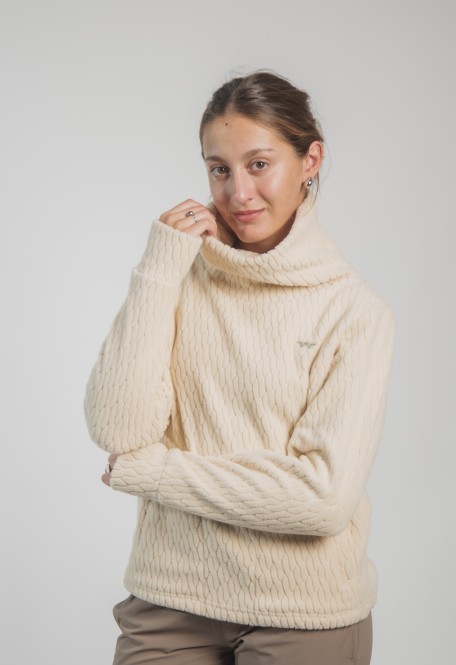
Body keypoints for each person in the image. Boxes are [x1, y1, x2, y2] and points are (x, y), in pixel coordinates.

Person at [84, 70, 396, 665]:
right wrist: (159, 268)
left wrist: (153, 474)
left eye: (259, 164)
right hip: (168, 598)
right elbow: (116, 429)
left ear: (310, 161)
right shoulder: (175, 272)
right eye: (219, 169)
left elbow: (322, 499)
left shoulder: (356, 312)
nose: (238, 193)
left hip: (304, 612)